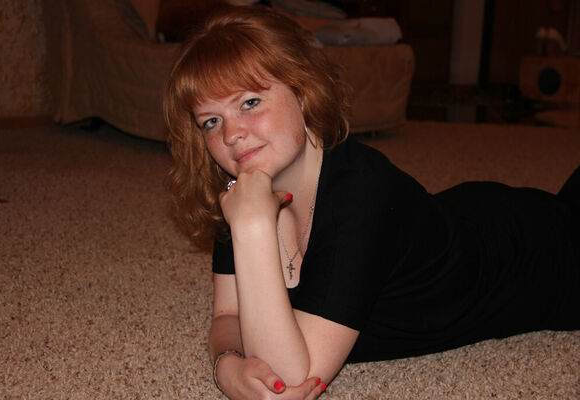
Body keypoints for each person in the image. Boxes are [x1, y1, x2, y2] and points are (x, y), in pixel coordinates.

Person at [163, 5, 580, 399]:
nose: (231, 134)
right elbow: (228, 316)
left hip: (542, 259)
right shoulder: (242, 191)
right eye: (211, 121)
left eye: (250, 102)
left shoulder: (360, 194)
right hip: (460, 218)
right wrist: (226, 365)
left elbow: (289, 378)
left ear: (303, 92)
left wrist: (253, 229)